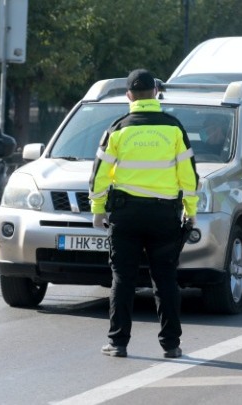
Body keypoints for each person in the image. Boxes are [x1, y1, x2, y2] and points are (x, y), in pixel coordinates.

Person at [89, 68, 199, 358]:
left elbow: (100, 174)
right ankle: (171, 345)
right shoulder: (174, 129)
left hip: (126, 215)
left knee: (123, 279)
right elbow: (189, 176)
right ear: (155, 93)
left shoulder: (118, 128)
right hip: (164, 215)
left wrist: (98, 210)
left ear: (128, 96)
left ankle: (117, 343)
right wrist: (191, 211)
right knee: (165, 279)